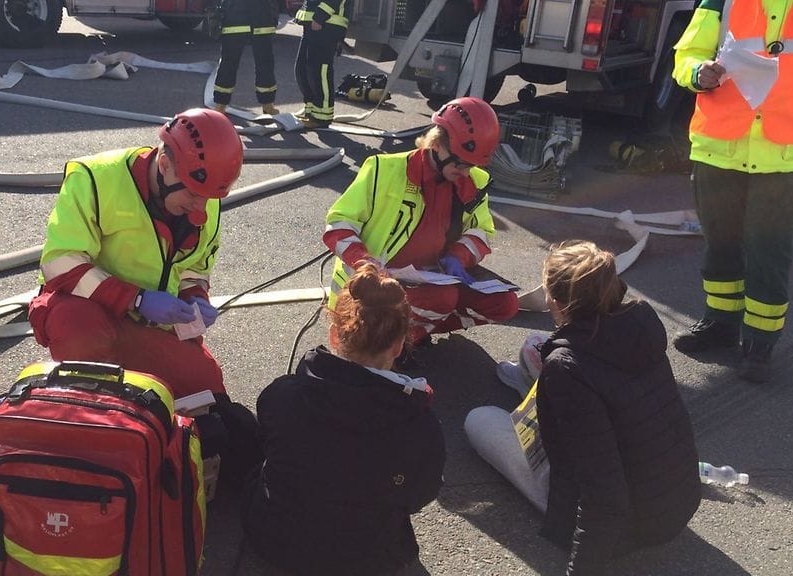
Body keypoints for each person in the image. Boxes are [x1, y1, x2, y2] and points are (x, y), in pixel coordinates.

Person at [464, 241, 702, 576]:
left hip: (635, 522)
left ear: (559, 302)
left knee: (480, 421)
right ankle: (532, 395)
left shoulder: (567, 368)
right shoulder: (640, 321)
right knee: (535, 346)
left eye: (547, 292)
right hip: (675, 497)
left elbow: (603, 488)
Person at [242, 262, 445, 575]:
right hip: (369, 559)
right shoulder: (420, 425)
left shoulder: (282, 393)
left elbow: (270, 450)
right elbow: (420, 494)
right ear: (398, 344)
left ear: (335, 335)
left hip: (276, 543)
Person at [27, 108, 244, 399]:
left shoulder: (203, 196)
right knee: (79, 331)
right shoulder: (95, 179)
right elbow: (61, 263)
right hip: (90, 313)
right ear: (165, 165)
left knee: (207, 389)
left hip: (146, 324)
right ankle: (89, 410)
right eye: (193, 195)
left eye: (209, 198)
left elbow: (194, 269)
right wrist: (137, 298)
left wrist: (195, 298)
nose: (200, 209)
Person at [323, 96, 519, 367]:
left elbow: (483, 231)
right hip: (373, 287)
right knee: (443, 298)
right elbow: (339, 223)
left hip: (432, 277)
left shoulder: (472, 182)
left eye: (472, 166)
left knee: (505, 303)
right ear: (436, 144)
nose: (465, 172)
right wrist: (363, 262)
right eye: (460, 164)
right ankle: (379, 347)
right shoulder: (384, 169)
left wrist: (459, 256)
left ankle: (410, 335)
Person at [671, 0, 793, 382]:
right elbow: (687, 55)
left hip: (785, 152)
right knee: (721, 243)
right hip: (720, 146)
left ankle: (760, 343)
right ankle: (721, 324)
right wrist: (699, 72)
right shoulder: (721, 1)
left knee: (769, 251)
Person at [213, 0, 280, 116]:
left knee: (231, 63)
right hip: (254, 18)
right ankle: (221, 104)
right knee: (262, 64)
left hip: (243, 18)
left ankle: (221, 105)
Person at [293, 0, 349, 128]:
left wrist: (320, 16)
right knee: (302, 69)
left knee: (319, 71)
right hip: (314, 22)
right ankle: (311, 110)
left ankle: (322, 116)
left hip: (326, 23)